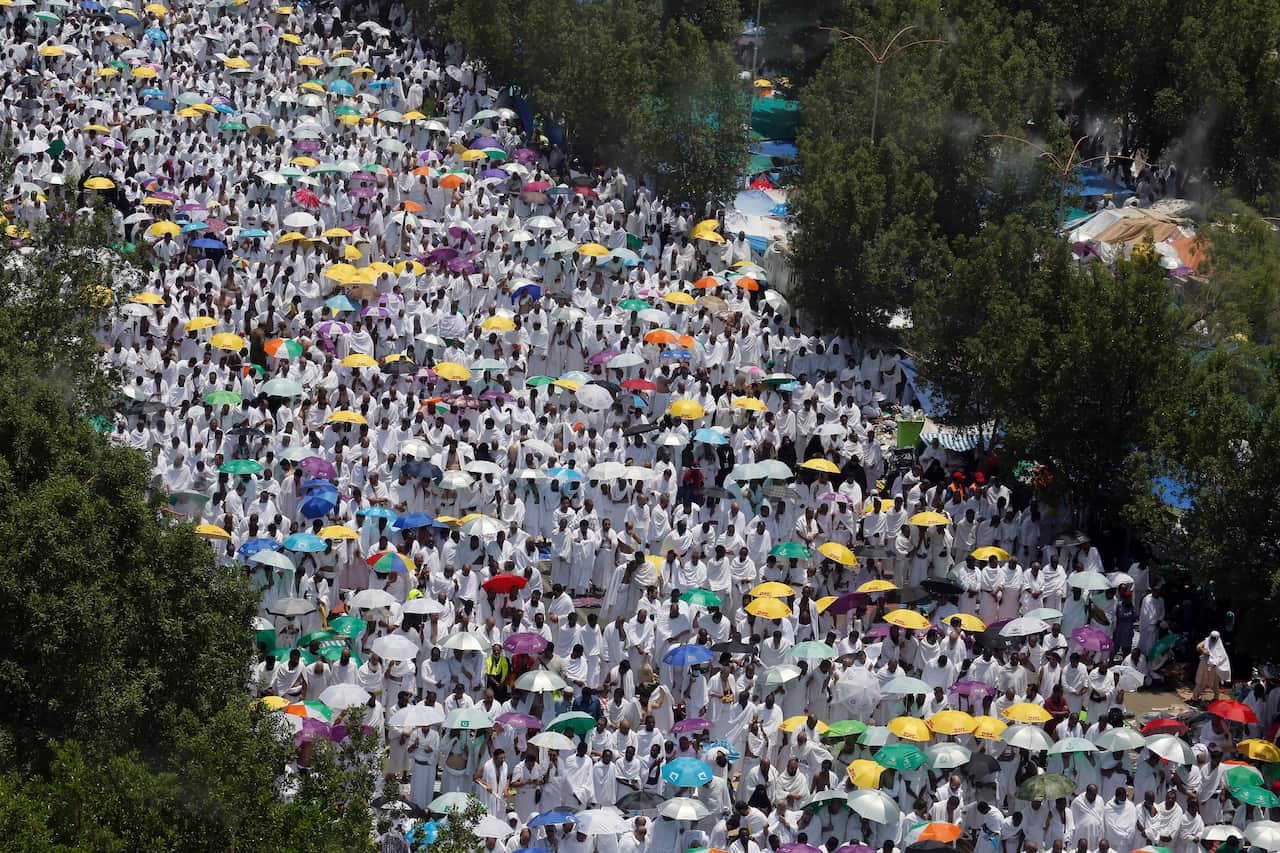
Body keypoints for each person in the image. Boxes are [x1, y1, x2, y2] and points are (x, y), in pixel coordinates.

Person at [1193, 631, 1231, 702]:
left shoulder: (1219, 645)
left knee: (1215, 683)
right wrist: (1204, 651)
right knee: (1201, 681)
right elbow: (1198, 647)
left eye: (1214, 638)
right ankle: (1195, 698)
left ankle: (1216, 698)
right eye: (1212, 638)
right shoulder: (1207, 640)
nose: (1213, 640)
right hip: (1204, 664)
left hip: (1214, 667)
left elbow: (1222, 658)